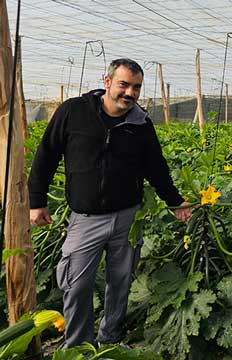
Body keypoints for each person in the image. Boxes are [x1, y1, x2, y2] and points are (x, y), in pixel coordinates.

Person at [28, 58, 192, 348]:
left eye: (136, 88)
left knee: (120, 282)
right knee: (76, 285)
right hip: (85, 219)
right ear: (107, 81)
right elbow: (46, 155)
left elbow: (156, 168)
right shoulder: (73, 112)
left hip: (127, 217)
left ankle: (110, 339)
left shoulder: (140, 124)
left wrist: (175, 201)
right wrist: (36, 201)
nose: (129, 93)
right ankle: (78, 346)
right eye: (124, 84)